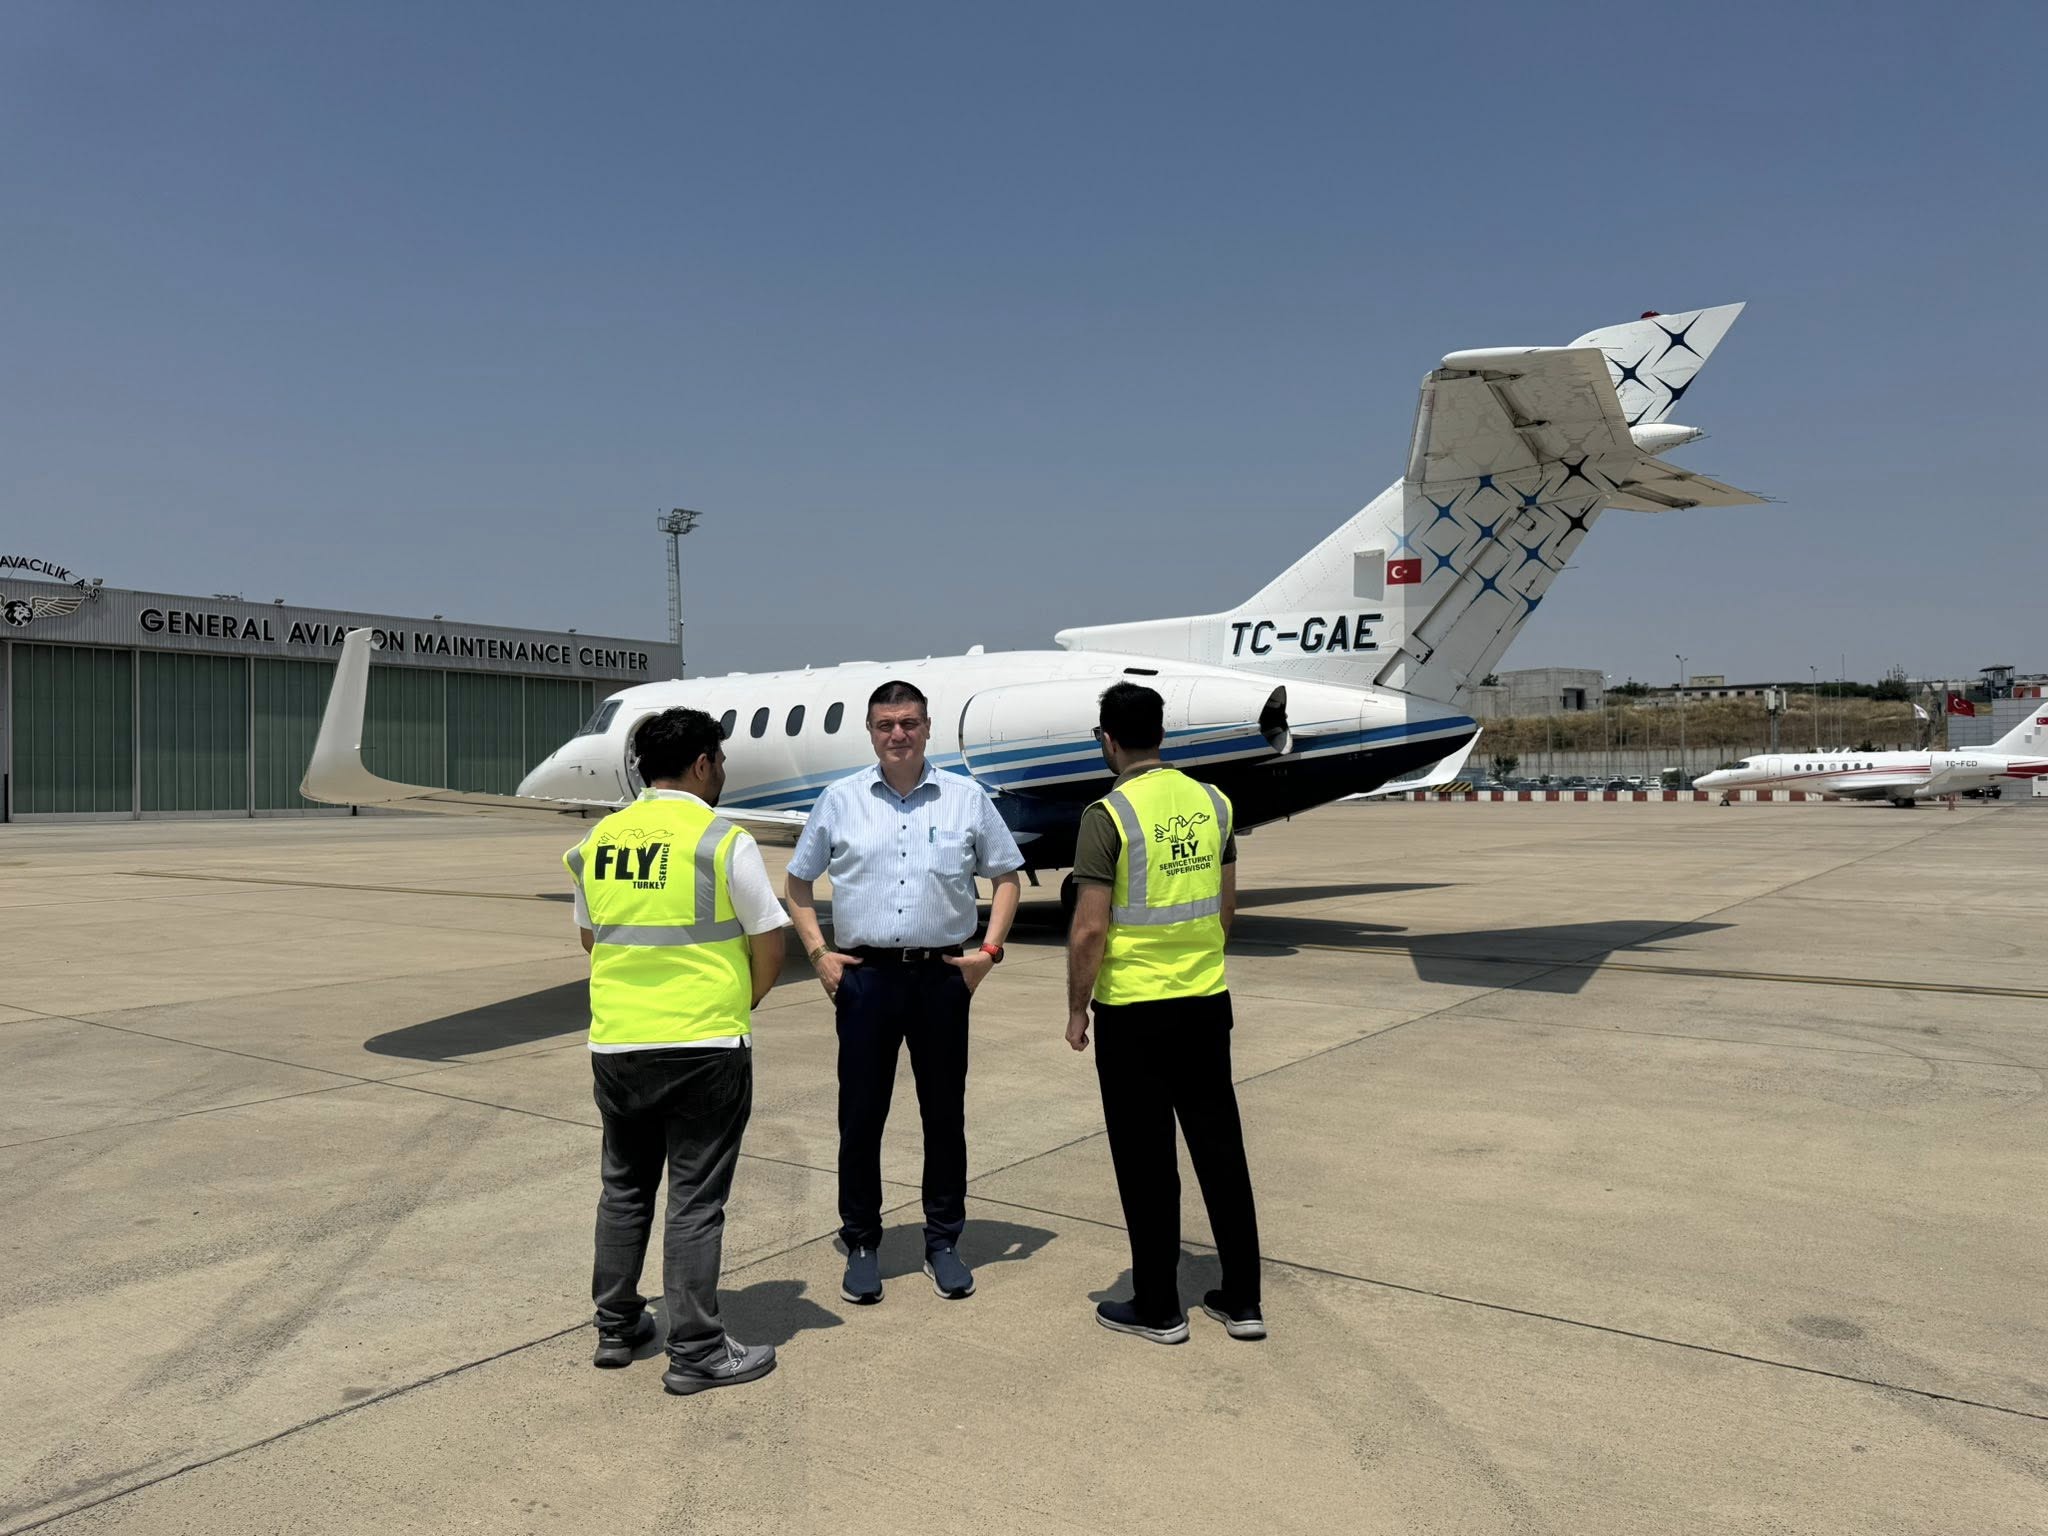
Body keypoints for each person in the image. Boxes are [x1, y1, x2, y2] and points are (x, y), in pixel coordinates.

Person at [565, 707, 789, 1395]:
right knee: (694, 1200)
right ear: (700, 764)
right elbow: (770, 940)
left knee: (624, 1188)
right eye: (719, 761)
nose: (721, 772)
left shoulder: (599, 840)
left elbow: (591, 937)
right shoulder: (721, 840)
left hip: (618, 1043)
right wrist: (741, 1001)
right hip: (703, 1044)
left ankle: (616, 1326)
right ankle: (696, 1350)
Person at [785, 679, 1024, 1305]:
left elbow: (1007, 877)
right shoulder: (839, 800)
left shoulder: (966, 798)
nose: (899, 734)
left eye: (910, 723)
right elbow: (798, 883)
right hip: (866, 981)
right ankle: (863, 1241)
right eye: (886, 724)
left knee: (944, 1115)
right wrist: (819, 955)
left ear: (927, 728)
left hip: (942, 978)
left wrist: (988, 954)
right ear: (870, 732)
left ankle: (943, 1240)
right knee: (861, 1116)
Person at [1064, 682, 1264, 1345]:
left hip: (1134, 1013)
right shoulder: (1214, 803)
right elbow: (1226, 909)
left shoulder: (1108, 815)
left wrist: (1077, 1009)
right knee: (1221, 1150)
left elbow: (1090, 928)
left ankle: (1158, 1305)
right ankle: (1242, 1300)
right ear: (1162, 733)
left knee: (1147, 1159)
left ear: (1107, 740)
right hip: (1206, 1004)